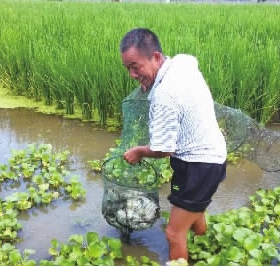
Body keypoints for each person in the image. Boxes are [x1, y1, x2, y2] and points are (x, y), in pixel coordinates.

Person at [120, 28, 227, 262]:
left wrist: (139, 151)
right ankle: (203, 247)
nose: (132, 74)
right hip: (214, 156)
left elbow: (164, 148)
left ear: (156, 57)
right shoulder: (181, 63)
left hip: (199, 164)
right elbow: (190, 60)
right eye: (128, 68)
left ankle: (186, 253)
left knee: (173, 233)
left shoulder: (165, 94)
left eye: (136, 67)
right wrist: (149, 79)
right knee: (194, 213)